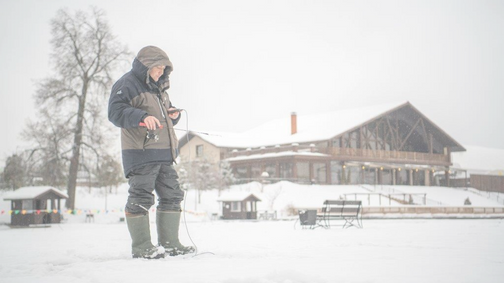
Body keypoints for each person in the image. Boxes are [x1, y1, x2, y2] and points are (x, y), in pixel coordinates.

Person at [108, 46, 194, 259]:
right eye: (157, 68)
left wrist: (171, 115)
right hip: (141, 151)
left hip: (165, 153)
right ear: (146, 66)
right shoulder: (126, 84)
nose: (160, 73)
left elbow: (164, 115)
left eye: (163, 69)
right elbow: (115, 112)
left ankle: (171, 244)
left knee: (173, 195)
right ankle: (142, 247)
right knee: (140, 197)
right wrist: (141, 116)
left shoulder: (160, 90)